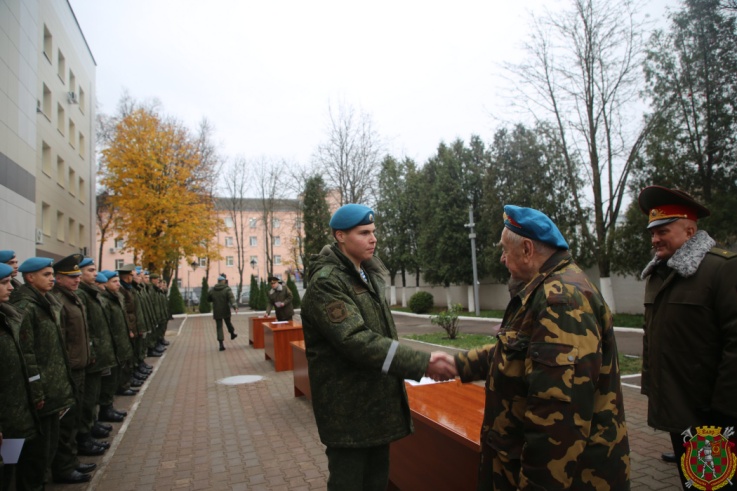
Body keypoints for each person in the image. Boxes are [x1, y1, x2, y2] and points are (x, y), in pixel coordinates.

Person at [452, 205, 630, 490]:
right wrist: (459, 365)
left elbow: (556, 422)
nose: (502, 258)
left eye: (505, 250)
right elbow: (517, 351)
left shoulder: (560, 301)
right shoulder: (544, 290)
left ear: (527, 249)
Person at [300, 203, 456, 490]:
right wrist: (420, 362)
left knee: (377, 483)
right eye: (364, 233)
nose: (373, 239)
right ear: (340, 236)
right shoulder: (327, 283)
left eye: (373, 231)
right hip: (348, 411)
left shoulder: (367, 275)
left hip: (375, 406)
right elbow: (356, 340)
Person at [637, 186, 737, 488]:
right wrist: (651, 386)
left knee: (712, 484)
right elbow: (652, 336)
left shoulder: (721, 269)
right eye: (652, 233)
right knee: (692, 481)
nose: (655, 240)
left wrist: (724, 410)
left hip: (710, 412)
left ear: (690, 231)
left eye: (663, 231)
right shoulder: (658, 274)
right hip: (676, 405)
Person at [11, 257, 75, 489]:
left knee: (47, 449)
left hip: (51, 389)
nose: (52, 279)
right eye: (46, 275)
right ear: (30, 277)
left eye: (52, 274)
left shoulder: (44, 302)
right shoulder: (26, 307)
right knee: (34, 456)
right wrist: (37, 391)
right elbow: (27, 354)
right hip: (37, 395)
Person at [49, 254, 101, 484]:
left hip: (79, 365)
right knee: (67, 421)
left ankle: (71, 461)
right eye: (71, 277)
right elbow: (60, 340)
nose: (77, 280)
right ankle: (64, 466)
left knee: (76, 415)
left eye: (78, 276)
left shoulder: (72, 297)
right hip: (69, 368)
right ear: (59, 279)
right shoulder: (58, 301)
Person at [0, 262, 40, 490]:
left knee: (11, 468)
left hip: (14, 415)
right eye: (4, 283)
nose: (11, 287)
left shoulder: (7, 317)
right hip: (6, 418)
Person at [207, 275, 238, 351]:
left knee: (219, 327)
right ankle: (232, 333)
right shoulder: (227, 289)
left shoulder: (213, 290)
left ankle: (221, 344)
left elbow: (208, 298)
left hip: (217, 310)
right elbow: (231, 298)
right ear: (223, 281)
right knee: (228, 323)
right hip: (225, 309)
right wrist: (235, 307)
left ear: (218, 281)